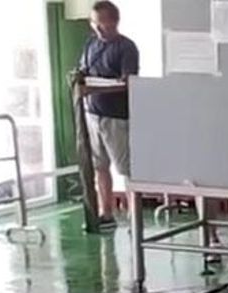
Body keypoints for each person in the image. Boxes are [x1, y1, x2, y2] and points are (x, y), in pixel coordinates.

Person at [73, 0, 139, 230]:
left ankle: (134, 215)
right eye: (94, 24)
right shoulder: (91, 45)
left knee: (127, 169)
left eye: (103, 24)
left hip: (116, 116)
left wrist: (96, 88)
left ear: (115, 21)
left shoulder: (126, 48)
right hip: (93, 113)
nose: (99, 29)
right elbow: (84, 70)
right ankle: (106, 211)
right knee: (99, 166)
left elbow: (127, 83)